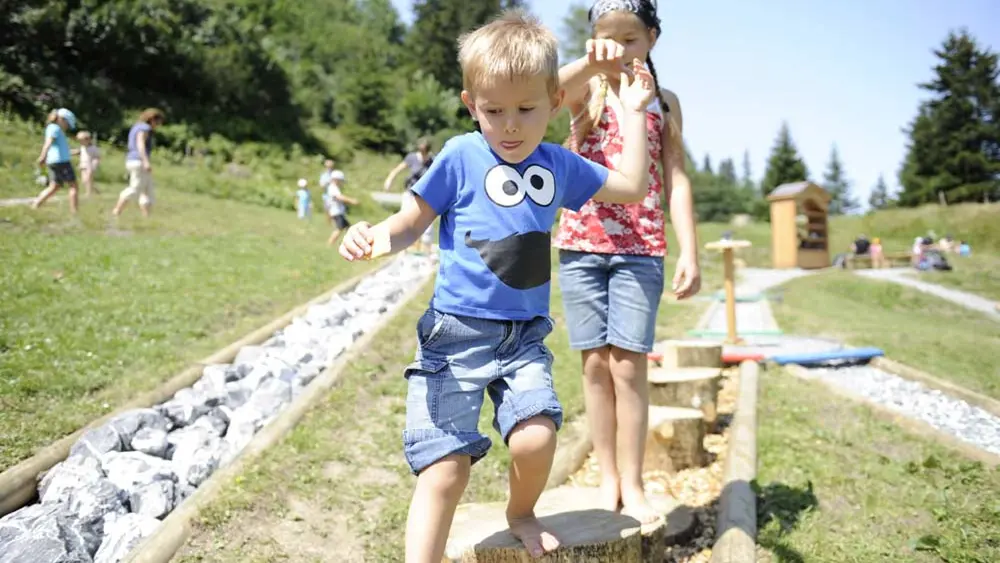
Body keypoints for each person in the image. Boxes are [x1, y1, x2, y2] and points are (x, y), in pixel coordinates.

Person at [338, 10, 656, 561]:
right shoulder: (461, 155)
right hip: (455, 336)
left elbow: (630, 187)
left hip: (522, 339)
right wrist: (375, 237)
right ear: (471, 104)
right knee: (445, 469)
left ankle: (521, 512)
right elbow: (411, 220)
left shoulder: (559, 164)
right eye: (494, 111)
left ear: (555, 102)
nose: (510, 125)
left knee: (537, 438)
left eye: (526, 109)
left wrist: (632, 113)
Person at [551, 0, 700, 523]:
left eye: (629, 39)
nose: (618, 49)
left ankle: (633, 482)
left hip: (642, 247)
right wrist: (593, 63)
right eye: (606, 38)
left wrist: (690, 248)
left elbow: (677, 178)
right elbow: (542, 96)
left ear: (653, 39)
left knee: (628, 364)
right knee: (593, 364)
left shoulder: (664, 101)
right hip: (580, 242)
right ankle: (607, 477)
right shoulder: (585, 88)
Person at [112, 108, 165, 218]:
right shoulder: (144, 128)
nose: (158, 125)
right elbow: (140, 144)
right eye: (158, 122)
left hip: (133, 160)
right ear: (152, 119)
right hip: (139, 161)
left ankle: (146, 216)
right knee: (135, 188)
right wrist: (145, 161)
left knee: (147, 189)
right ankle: (117, 211)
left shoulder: (136, 127)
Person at [31, 108, 80, 214]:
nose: (67, 127)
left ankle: (36, 204)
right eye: (67, 123)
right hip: (62, 162)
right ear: (61, 119)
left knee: (55, 186)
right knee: (73, 186)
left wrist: (74, 152)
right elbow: (48, 143)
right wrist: (42, 156)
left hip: (54, 161)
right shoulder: (55, 128)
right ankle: (74, 212)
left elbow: (60, 149)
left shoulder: (55, 129)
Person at [325, 170, 358, 245]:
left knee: (349, 228)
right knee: (339, 228)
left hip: (338, 212)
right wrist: (351, 200)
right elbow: (339, 197)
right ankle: (329, 243)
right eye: (341, 181)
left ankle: (351, 243)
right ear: (336, 180)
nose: (341, 183)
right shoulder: (333, 188)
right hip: (336, 212)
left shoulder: (333, 187)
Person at [74, 131, 102, 196]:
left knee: (88, 179)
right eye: (80, 141)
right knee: (84, 181)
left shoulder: (93, 148)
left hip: (91, 165)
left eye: (82, 140)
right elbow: (80, 155)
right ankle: (96, 191)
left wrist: (95, 164)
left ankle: (88, 193)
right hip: (83, 165)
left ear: (88, 140)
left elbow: (97, 157)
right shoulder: (82, 147)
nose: (81, 142)